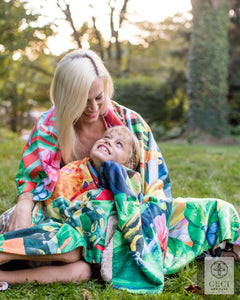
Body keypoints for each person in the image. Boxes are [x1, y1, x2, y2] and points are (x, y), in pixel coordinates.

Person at [0, 48, 239, 294]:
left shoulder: (131, 124)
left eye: (99, 98)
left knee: (217, 210)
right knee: (16, 223)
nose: (93, 108)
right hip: (70, 220)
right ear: (65, 97)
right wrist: (24, 204)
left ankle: (227, 257)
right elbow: (32, 180)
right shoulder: (50, 126)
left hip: (129, 216)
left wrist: (130, 224)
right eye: (83, 100)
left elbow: (156, 191)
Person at [0, 126, 141, 284]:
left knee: (82, 271)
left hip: (63, 253)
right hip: (42, 230)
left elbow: (124, 217)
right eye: (106, 137)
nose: (108, 141)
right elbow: (51, 202)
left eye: (119, 144)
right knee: (71, 249)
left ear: (128, 162)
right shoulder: (74, 170)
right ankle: (4, 253)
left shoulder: (125, 188)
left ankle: (5, 278)